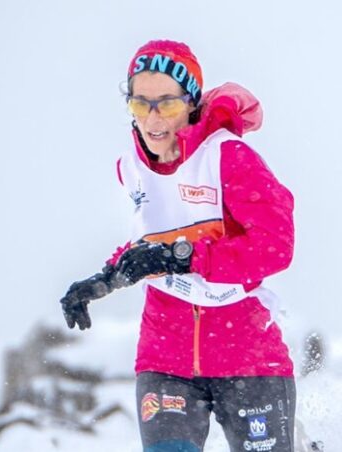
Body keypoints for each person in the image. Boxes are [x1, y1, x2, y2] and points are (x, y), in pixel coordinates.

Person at [60, 39, 296, 452]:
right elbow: (148, 244)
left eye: (166, 103)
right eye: (140, 103)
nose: (153, 118)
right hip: (166, 358)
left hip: (248, 356)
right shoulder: (130, 168)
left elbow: (276, 245)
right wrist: (103, 281)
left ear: (190, 103)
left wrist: (185, 257)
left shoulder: (228, 157)